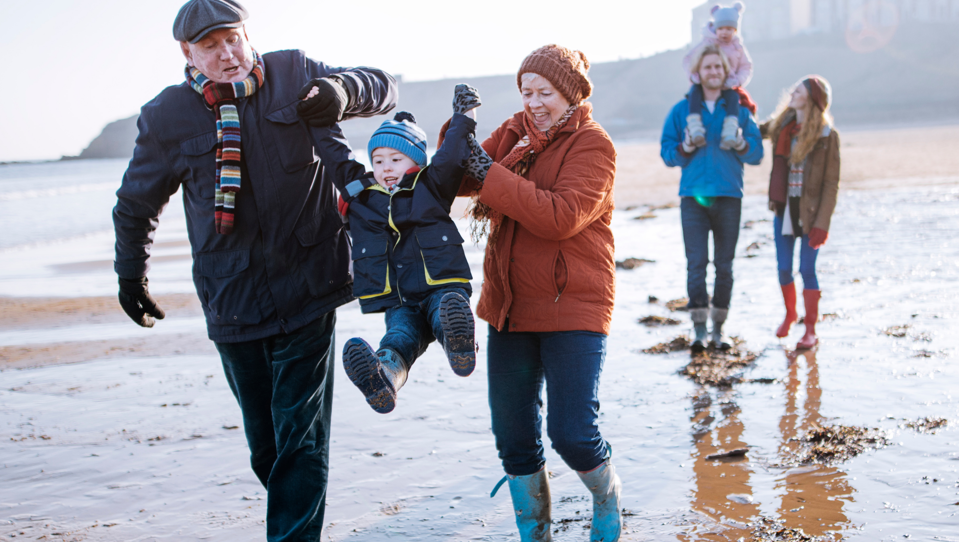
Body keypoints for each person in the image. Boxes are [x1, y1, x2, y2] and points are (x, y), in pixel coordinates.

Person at [111, 0, 397, 539]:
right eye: (211, 46)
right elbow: (135, 204)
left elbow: (383, 86)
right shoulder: (167, 115)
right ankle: (295, 520)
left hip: (310, 286)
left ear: (248, 34)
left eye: (234, 39)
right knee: (268, 448)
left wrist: (343, 91)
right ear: (187, 53)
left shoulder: (295, 74)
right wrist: (132, 276)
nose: (228, 55)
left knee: (301, 439)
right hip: (233, 300)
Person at [442, 44, 621, 542]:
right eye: (526, 91)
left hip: (574, 305)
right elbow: (456, 176)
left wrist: (486, 170)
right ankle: (534, 534)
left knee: (572, 433)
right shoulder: (517, 129)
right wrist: (460, 131)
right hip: (510, 306)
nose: (535, 102)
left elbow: (559, 216)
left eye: (545, 92)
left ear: (570, 94)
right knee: (515, 438)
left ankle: (606, 497)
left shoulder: (594, 145)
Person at [307, 85, 484, 414]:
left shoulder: (430, 185)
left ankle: (460, 345)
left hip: (440, 285)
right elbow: (334, 154)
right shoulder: (361, 194)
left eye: (396, 159)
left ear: (414, 161)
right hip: (399, 297)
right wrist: (318, 117)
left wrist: (465, 114)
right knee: (399, 338)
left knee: (446, 313)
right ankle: (383, 379)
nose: (386, 167)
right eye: (378, 160)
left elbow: (451, 153)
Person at [661, 44, 764, 352]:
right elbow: (667, 153)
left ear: (725, 71)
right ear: (698, 72)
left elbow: (757, 153)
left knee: (725, 266)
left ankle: (719, 330)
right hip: (693, 198)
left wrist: (742, 143)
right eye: (708, 67)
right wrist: (686, 148)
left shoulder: (739, 111)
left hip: (730, 196)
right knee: (696, 265)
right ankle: (698, 331)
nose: (713, 72)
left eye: (718, 67)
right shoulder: (681, 111)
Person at [760, 76, 839, 350]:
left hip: (812, 213)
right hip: (784, 208)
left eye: (799, 90)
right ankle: (790, 313)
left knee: (807, 269)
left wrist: (823, 224)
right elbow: (755, 130)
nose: (793, 92)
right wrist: (738, 102)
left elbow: (831, 184)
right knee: (783, 269)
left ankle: (810, 330)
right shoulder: (782, 127)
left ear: (813, 98)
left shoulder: (827, 136)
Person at [682, 2, 755, 149]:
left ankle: (730, 129)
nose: (724, 32)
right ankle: (695, 126)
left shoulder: (737, 47)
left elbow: (746, 67)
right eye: (721, 28)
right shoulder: (707, 42)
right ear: (715, 28)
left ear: (735, 30)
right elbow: (688, 59)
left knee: (734, 98)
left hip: (728, 85)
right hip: (704, 85)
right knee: (694, 94)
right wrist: (694, 76)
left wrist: (737, 80)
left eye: (729, 29)